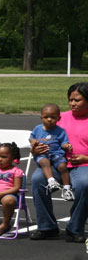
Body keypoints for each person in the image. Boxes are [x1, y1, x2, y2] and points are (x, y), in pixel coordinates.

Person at [30, 82, 88, 242]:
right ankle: (47, 227)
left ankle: (75, 229)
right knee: (37, 180)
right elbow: (39, 137)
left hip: (83, 165)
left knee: (85, 184)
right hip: (56, 162)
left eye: (77, 100)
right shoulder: (59, 117)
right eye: (71, 100)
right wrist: (35, 149)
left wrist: (85, 158)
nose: (72, 103)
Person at [29, 103, 73, 200]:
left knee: (62, 166)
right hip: (42, 154)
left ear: (58, 118)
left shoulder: (61, 131)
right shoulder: (37, 128)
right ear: (41, 117)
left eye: (53, 117)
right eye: (46, 117)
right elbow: (31, 137)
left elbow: (63, 142)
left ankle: (66, 189)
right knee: (44, 162)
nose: (49, 119)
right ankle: (51, 181)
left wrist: (67, 145)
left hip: (56, 153)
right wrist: (33, 142)